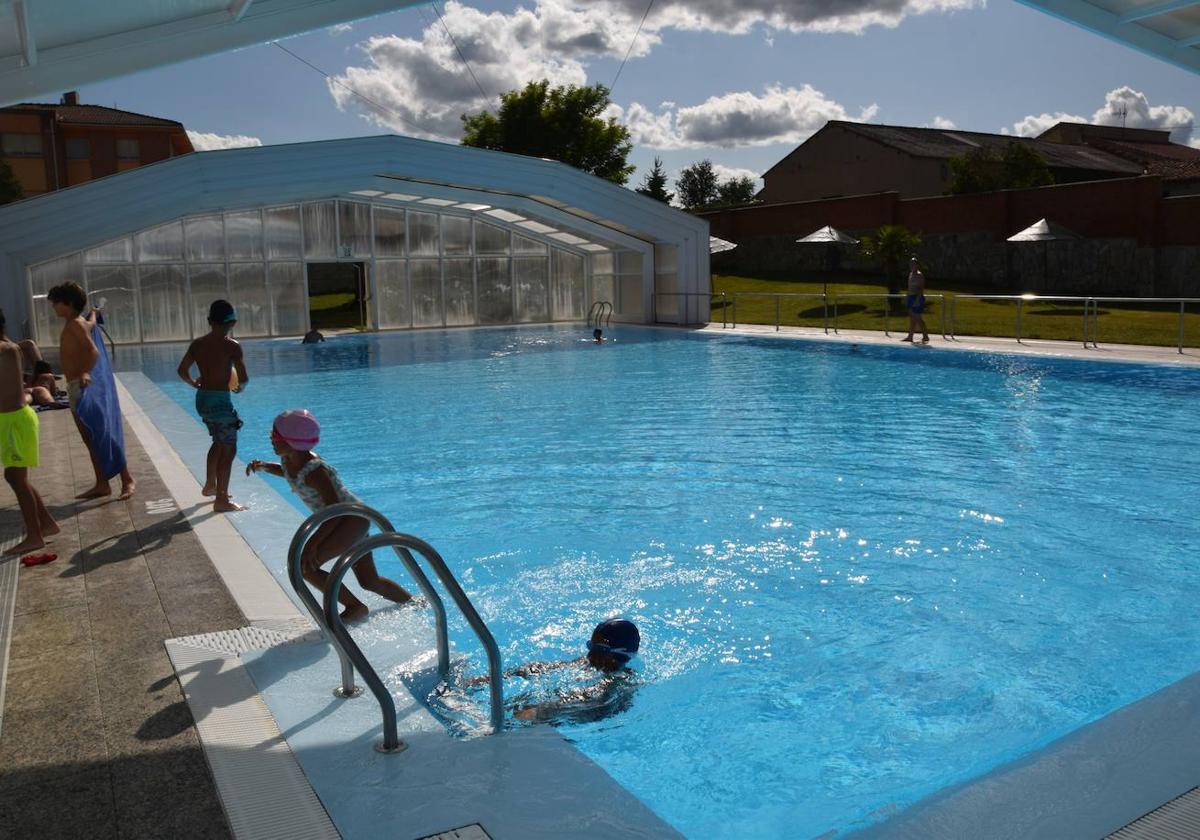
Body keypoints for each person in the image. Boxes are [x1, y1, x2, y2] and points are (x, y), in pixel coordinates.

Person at [245, 409, 413, 622]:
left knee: (306, 566)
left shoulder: (315, 471)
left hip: (348, 519)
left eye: (276, 434)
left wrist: (313, 543)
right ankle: (413, 602)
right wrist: (267, 467)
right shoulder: (290, 460)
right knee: (368, 581)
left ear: (292, 441)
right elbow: (291, 475)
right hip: (349, 519)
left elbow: (333, 511)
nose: (270, 437)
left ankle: (354, 607)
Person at [48, 282, 136, 499]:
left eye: (55, 303)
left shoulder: (74, 326)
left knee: (101, 434)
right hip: (73, 387)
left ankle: (127, 479)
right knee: (91, 437)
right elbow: (92, 323)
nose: (53, 307)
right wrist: (94, 313)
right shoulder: (80, 323)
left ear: (67, 304)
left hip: (81, 387)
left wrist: (86, 372)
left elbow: (93, 351)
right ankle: (102, 483)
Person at [467, 618, 641, 723]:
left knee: (530, 712)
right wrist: (497, 677)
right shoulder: (593, 661)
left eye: (597, 650)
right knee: (519, 702)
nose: (589, 654)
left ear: (615, 656)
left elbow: (590, 705)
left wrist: (541, 711)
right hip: (569, 707)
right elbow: (543, 668)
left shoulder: (621, 683)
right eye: (590, 646)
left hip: (587, 719)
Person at [177, 300, 249, 513]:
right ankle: (222, 499)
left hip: (202, 399)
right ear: (233, 322)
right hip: (220, 401)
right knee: (229, 447)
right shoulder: (232, 346)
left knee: (218, 441)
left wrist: (194, 383)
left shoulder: (197, 344)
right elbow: (243, 378)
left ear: (209, 321)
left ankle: (210, 485)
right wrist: (238, 388)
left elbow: (182, 370)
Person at [0, 309, 59, 554]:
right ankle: (46, 524)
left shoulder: (6, 349)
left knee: (15, 478)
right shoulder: (10, 347)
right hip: (11, 420)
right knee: (15, 477)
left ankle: (35, 536)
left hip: (15, 421)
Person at [902, 257, 931, 344]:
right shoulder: (911, 274)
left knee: (917, 317)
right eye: (910, 264)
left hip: (917, 297)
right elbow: (909, 287)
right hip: (911, 297)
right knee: (912, 318)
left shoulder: (920, 275)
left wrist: (917, 300)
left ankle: (925, 336)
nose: (912, 266)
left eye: (913, 264)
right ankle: (910, 336)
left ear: (917, 265)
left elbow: (921, 289)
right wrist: (907, 296)